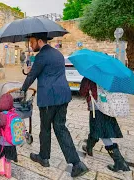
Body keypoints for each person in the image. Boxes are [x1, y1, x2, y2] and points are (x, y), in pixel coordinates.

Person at [20, 33, 88, 177]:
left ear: (39, 41)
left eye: (32, 43)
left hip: (49, 99)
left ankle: (44, 158)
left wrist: (23, 90)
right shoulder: (58, 54)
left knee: (45, 129)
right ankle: (77, 164)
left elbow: (32, 76)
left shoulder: (41, 56)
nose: (31, 46)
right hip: (63, 96)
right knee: (60, 128)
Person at [79, 77, 130, 172]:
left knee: (103, 134)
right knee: (96, 129)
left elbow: (82, 92)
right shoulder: (108, 75)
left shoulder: (89, 76)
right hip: (107, 106)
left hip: (96, 108)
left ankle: (119, 162)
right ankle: (89, 147)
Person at [0, 93, 18, 179]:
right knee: (8, 159)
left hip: (3, 142)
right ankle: (8, 173)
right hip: (12, 142)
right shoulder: (14, 113)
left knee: (1, 156)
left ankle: (2, 170)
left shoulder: (2, 115)